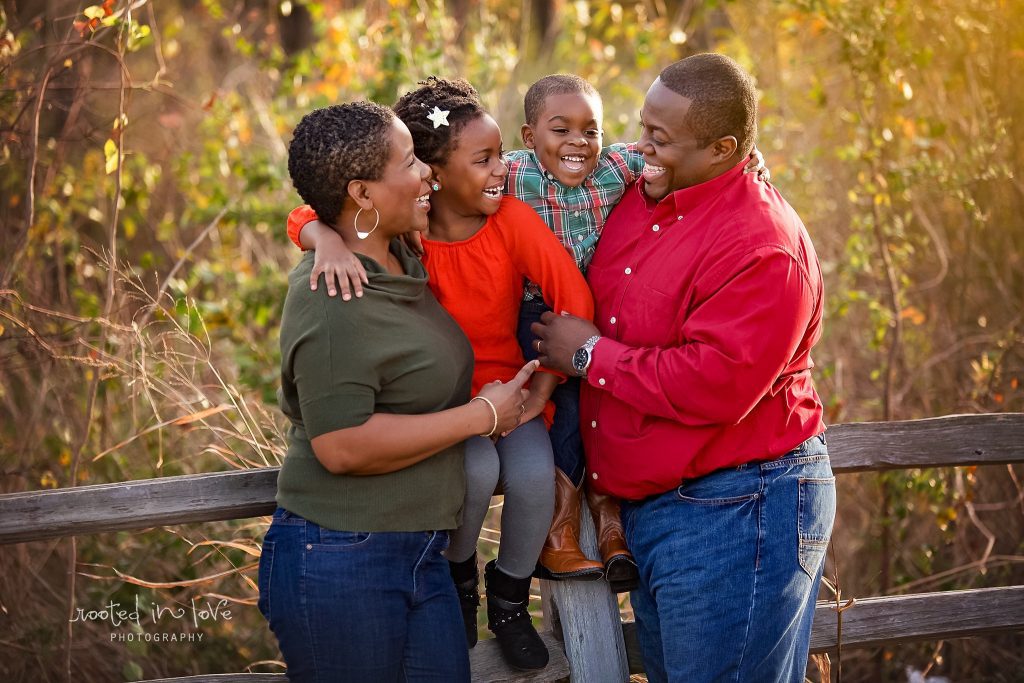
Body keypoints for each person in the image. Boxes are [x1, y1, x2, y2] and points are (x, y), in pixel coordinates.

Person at [531, 53, 836, 683]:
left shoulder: (761, 247)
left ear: (724, 148)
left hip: (737, 508)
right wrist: (331, 230)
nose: (640, 147)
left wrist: (586, 356)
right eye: (642, 127)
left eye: (660, 139)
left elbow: (713, 383)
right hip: (655, 508)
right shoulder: (639, 188)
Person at [285, 78, 596, 672]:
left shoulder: (504, 220)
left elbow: (575, 301)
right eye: (484, 159)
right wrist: (320, 235)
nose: (502, 169)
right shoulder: (409, 233)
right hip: (444, 412)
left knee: (533, 479)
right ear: (430, 172)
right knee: (474, 473)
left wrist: (542, 388)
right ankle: (459, 583)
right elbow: (319, 205)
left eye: (501, 154)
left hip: (515, 391)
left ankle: (508, 600)